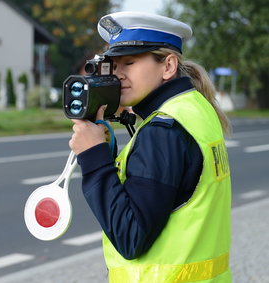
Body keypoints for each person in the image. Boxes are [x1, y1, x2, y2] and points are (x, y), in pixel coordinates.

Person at [69, 11, 232, 283]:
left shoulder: (163, 129)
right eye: (114, 65)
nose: (118, 75)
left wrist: (94, 158)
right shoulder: (195, 108)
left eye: (129, 63)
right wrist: (106, 150)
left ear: (168, 66)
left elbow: (131, 236)